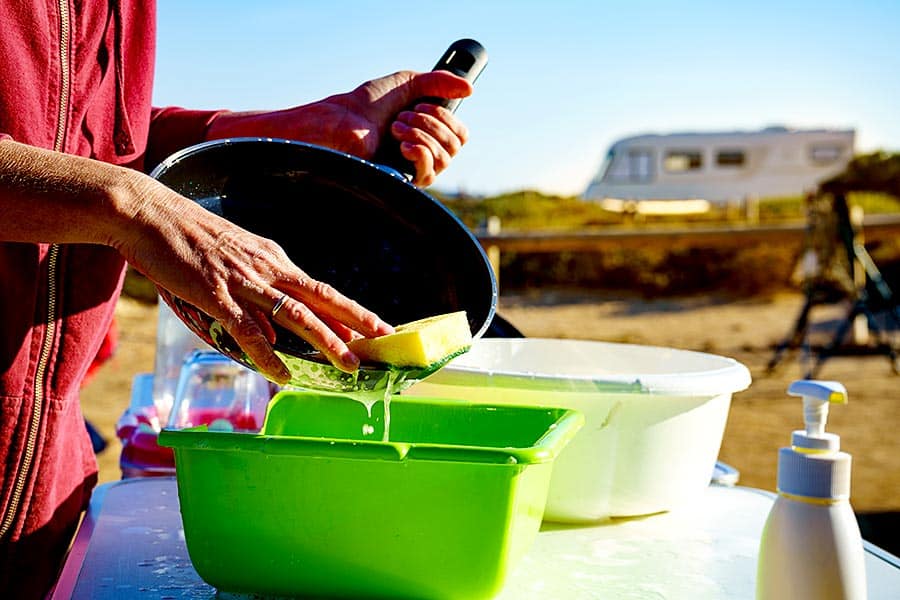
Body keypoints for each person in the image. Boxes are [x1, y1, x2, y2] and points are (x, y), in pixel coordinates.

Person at [0, 3, 472, 597]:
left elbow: (73, 138)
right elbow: (110, 182)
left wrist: (284, 130)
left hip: (45, 482)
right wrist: (132, 206)